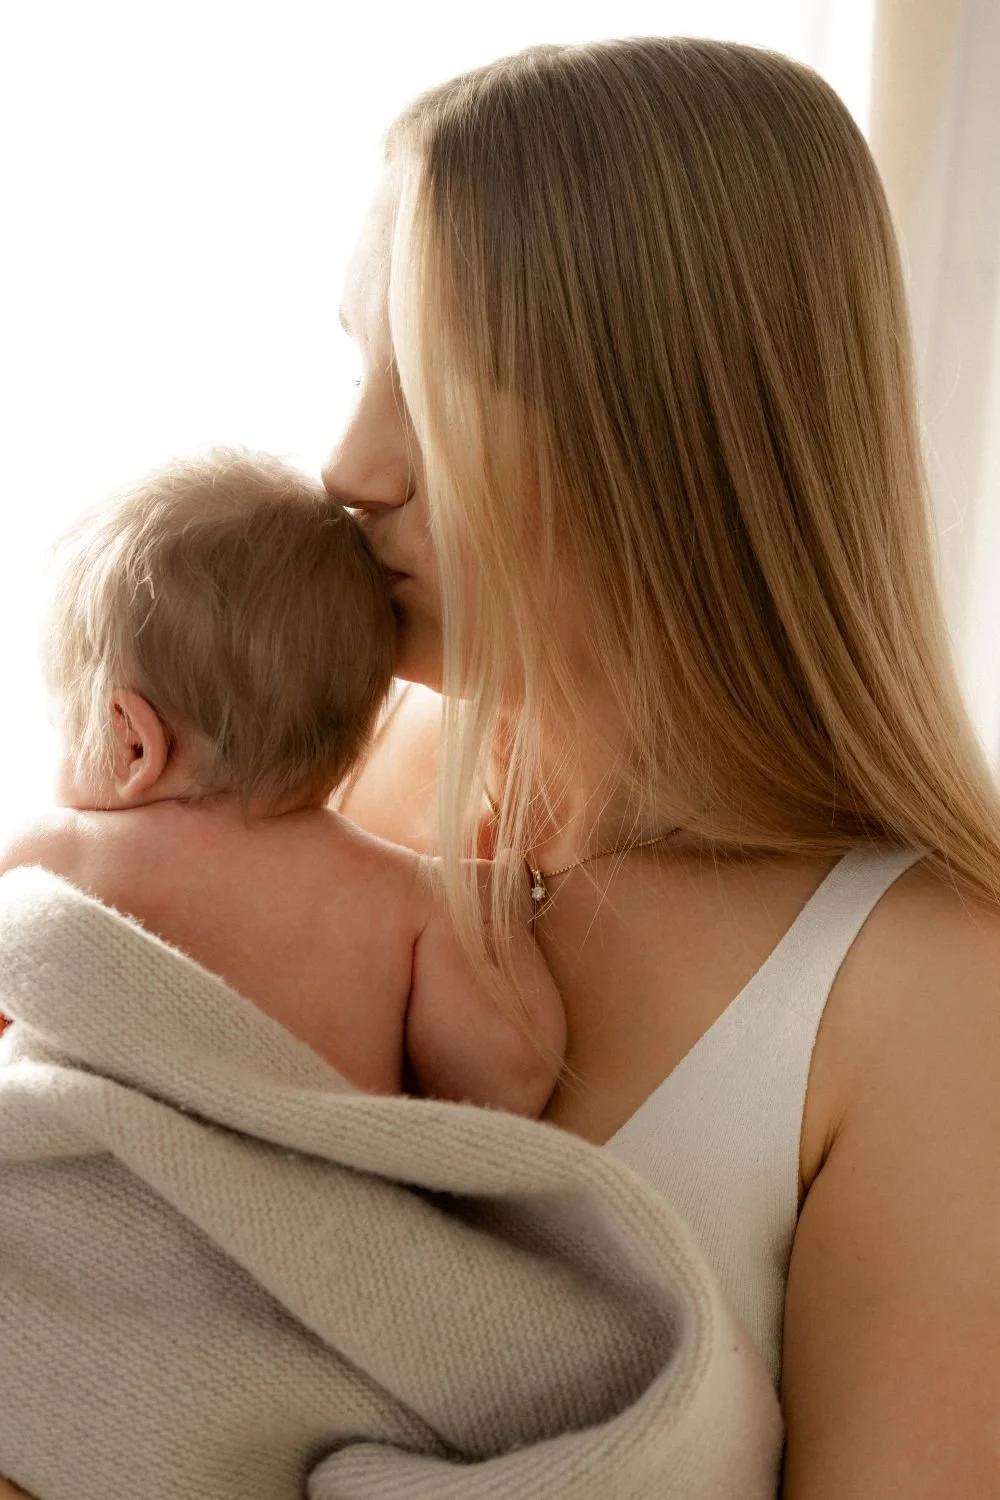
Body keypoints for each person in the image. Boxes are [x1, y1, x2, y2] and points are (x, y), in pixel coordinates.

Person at [4, 32, 1000, 1500]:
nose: (350, 465)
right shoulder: (312, 784)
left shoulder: (929, 994)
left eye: (438, 377)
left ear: (669, 420)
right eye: (360, 364)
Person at [0, 449, 564, 1118]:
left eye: (60, 722)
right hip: (294, 1212)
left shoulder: (57, 852)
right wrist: (489, 919)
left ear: (133, 741)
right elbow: (505, 1083)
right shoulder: (414, 898)